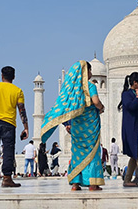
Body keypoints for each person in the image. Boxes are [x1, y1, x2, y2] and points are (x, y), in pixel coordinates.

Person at [41, 61, 105, 191]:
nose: (91, 73)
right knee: (92, 153)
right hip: (90, 126)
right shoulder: (90, 86)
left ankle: (75, 183)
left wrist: (66, 124)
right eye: (90, 70)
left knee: (77, 153)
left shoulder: (72, 90)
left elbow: (66, 107)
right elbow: (95, 101)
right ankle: (93, 183)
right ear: (85, 72)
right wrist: (101, 107)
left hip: (77, 126)